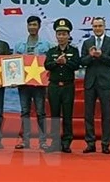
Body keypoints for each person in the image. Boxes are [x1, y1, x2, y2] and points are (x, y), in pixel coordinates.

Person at [81, 17, 110, 154]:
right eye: (95, 26)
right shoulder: (87, 43)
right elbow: (82, 62)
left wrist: (101, 55)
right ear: (92, 27)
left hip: (105, 82)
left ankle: (105, 144)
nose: (97, 28)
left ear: (104, 27)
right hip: (90, 83)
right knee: (88, 114)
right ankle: (90, 143)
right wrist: (91, 56)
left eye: (100, 26)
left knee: (106, 114)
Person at [14, 16, 51, 150]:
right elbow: (13, 66)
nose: (32, 27)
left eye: (35, 25)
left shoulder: (47, 45)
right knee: (24, 112)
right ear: (27, 26)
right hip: (23, 84)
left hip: (39, 85)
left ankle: (43, 141)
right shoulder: (19, 45)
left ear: (39, 26)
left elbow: (50, 64)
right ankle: (25, 140)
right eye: (30, 25)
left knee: (41, 112)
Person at [44, 18, 80, 153]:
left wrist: (65, 62)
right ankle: (54, 141)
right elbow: (47, 65)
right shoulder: (52, 51)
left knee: (67, 114)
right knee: (54, 115)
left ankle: (66, 142)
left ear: (69, 35)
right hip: (53, 86)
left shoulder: (74, 51)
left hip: (68, 86)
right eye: (59, 34)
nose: (61, 37)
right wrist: (56, 62)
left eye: (64, 34)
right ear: (56, 35)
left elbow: (77, 65)